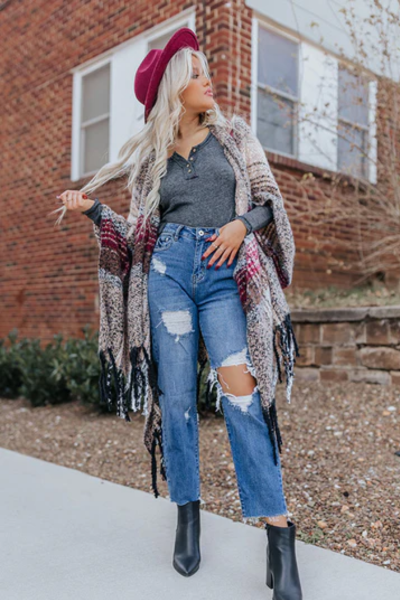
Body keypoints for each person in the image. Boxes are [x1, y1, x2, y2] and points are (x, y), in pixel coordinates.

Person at [55, 27, 302, 597]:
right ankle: (187, 514)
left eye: (203, 67)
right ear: (172, 89)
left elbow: (269, 202)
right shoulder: (151, 162)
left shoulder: (236, 136)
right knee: (177, 404)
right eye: (192, 72)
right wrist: (94, 211)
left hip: (222, 278)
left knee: (242, 397)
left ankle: (279, 534)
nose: (205, 76)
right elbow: (139, 236)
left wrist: (241, 225)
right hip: (166, 276)